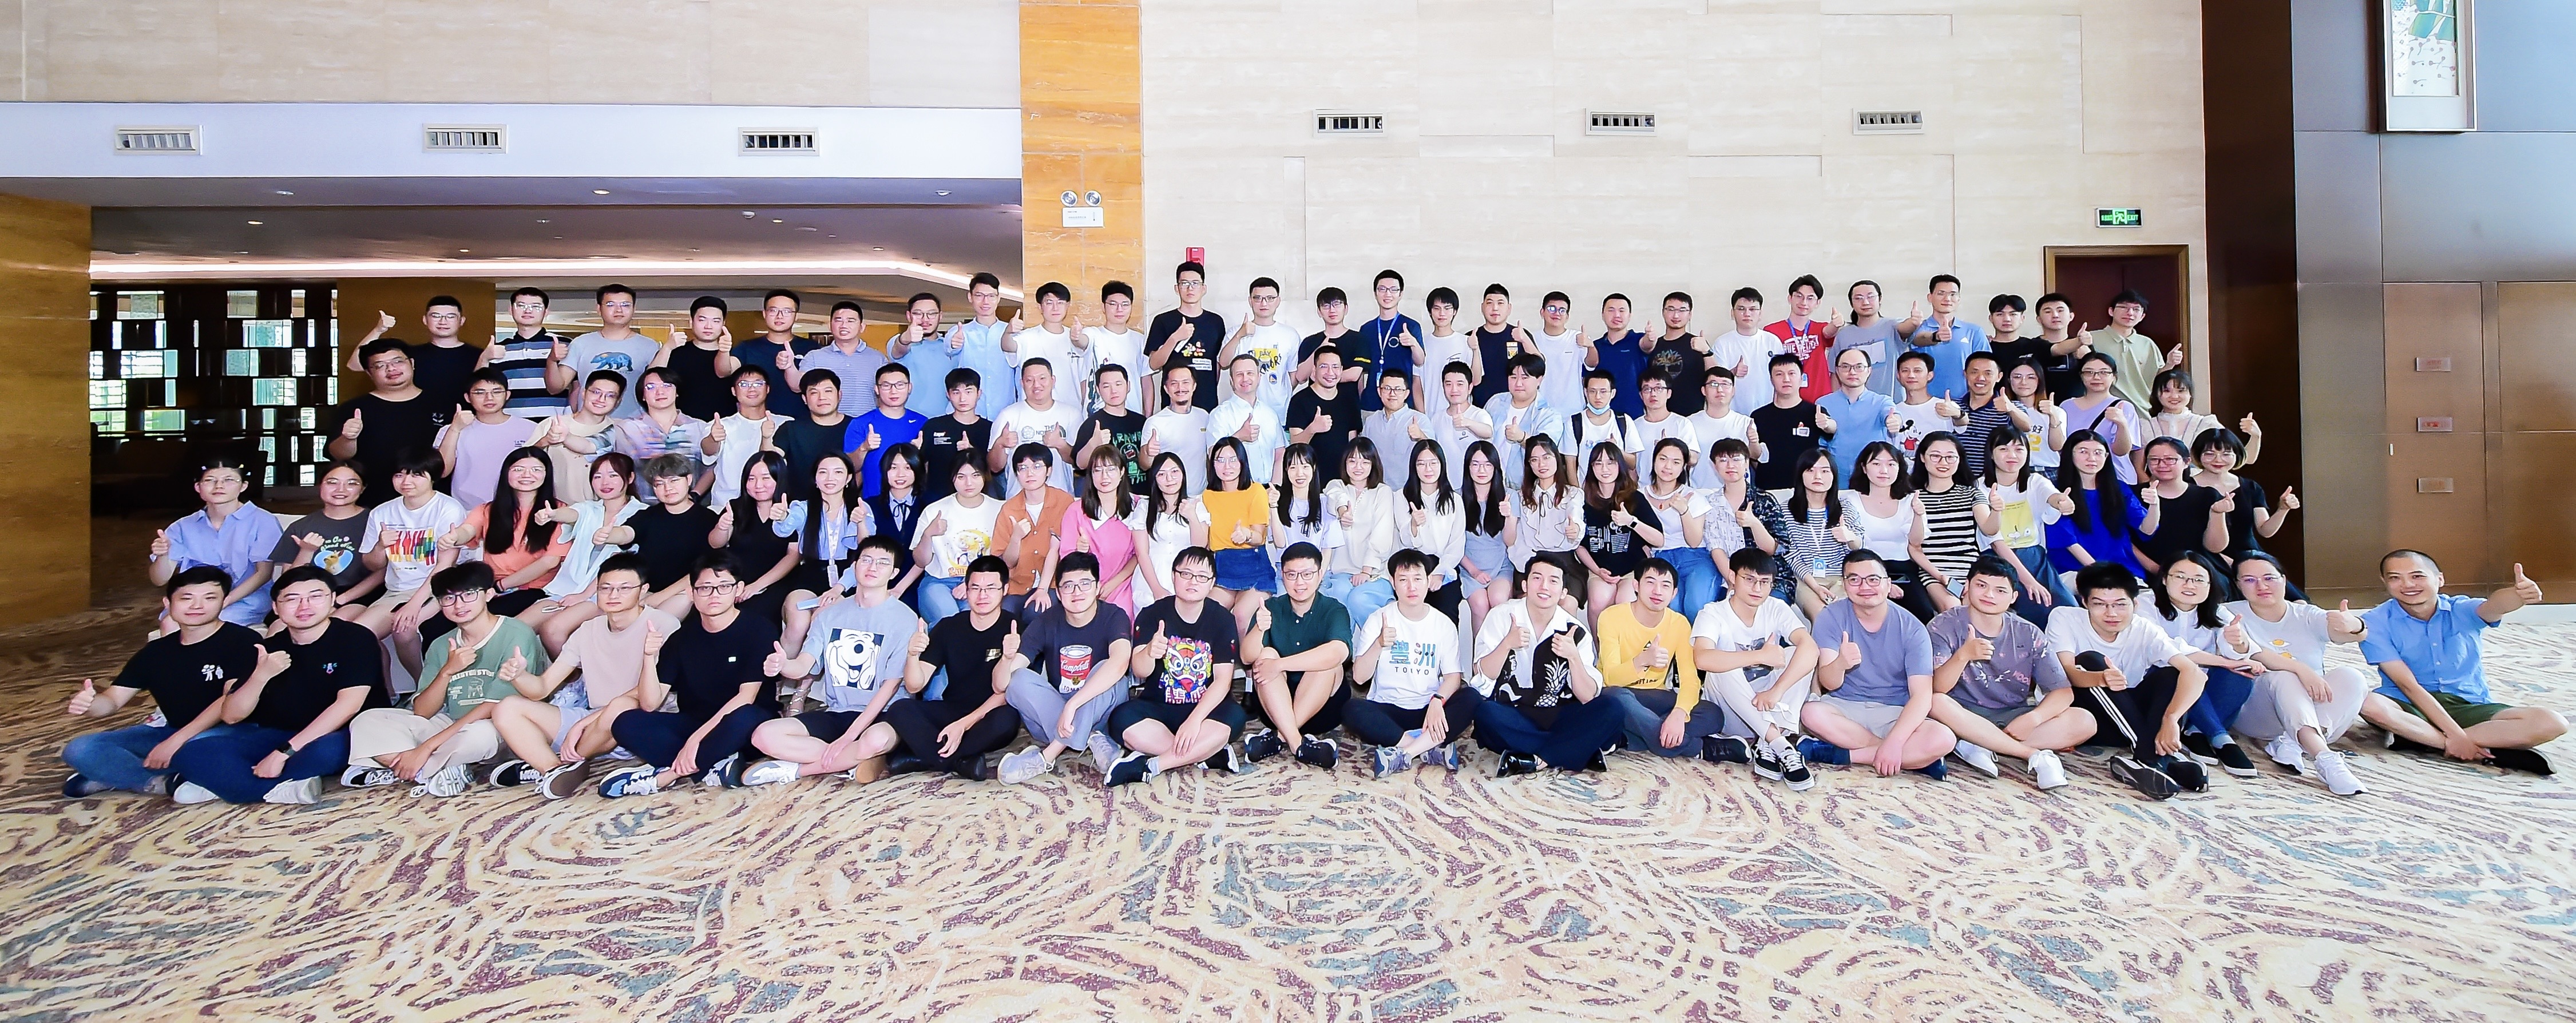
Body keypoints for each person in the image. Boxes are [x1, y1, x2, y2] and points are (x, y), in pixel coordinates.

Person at [169, 566, 383, 804]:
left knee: (329, 752)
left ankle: (233, 783)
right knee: (190, 752)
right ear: (276, 607)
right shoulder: (266, 649)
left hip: (335, 732)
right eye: (292, 599)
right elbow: (231, 715)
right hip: (278, 732)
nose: (304, 606)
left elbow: (349, 706)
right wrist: (261, 676)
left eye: (315, 597)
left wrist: (284, 753)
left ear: (332, 599)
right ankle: (281, 789)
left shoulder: (355, 638)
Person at [342, 562, 548, 797]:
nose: (459, 605)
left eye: (469, 595)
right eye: (449, 599)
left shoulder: (516, 633)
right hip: (450, 723)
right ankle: (436, 768)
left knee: (479, 735)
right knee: (367, 720)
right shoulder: (442, 644)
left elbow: (495, 706)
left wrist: (426, 747)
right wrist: (447, 672)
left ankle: (416, 765)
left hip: (501, 726)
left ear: (489, 594)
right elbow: (422, 711)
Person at [485, 553, 680, 798]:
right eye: (606, 588)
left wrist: (584, 724)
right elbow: (542, 688)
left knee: (620, 707)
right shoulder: (587, 630)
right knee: (507, 707)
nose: (613, 595)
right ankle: (553, 769)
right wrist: (518, 675)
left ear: (643, 590)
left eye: (624, 588)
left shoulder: (663, 625)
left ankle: (567, 761)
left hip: (638, 723)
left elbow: (650, 695)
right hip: (592, 725)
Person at [589, 554, 782, 796]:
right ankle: (715, 766)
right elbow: (650, 704)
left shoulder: (759, 629)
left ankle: (668, 775)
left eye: (724, 587)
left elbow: (746, 698)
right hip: (695, 722)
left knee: (746, 717)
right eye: (705, 588)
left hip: (742, 727)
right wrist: (648, 656)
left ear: (738, 589)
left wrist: (696, 740)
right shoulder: (682, 637)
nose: (714, 595)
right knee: (625, 722)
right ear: (692, 593)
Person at [2359, 551, 2566, 775]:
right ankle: (2471, 746)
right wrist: (2456, 737)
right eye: (2395, 578)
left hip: (2467, 703)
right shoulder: (2374, 622)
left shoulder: (2460, 609)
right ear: (2385, 582)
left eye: (2417, 576)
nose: (2408, 585)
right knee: (2367, 703)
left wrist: (2518, 595)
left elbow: (2494, 606)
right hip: (2407, 703)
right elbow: (2407, 685)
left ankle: (2420, 739)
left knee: (2551, 722)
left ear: (2439, 579)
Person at [60, 568, 261, 798]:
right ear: (168, 603)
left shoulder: (243, 640)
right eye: (187, 598)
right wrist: (91, 703)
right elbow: (113, 701)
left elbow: (228, 701)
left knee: (197, 750)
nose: (197, 606)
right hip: (173, 731)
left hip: (233, 732)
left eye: (210, 598)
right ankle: (157, 781)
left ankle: (118, 773)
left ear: (224, 602)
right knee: (80, 749)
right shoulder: (156, 652)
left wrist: (175, 742)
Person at [742, 537, 925, 787]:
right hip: (838, 712)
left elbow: (890, 688)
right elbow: (804, 665)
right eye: (866, 560)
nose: (873, 568)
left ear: (893, 573)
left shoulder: (905, 619)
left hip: (884, 714)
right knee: (763, 736)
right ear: (854, 566)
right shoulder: (830, 615)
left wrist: (849, 736)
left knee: (875, 740)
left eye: (882, 563)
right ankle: (855, 760)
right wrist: (784, 665)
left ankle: (799, 770)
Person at [2046, 561, 2213, 799]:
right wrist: (2101, 677)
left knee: (2172, 674)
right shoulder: (2065, 617)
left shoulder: (2144, 628)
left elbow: (2194, 672)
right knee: (2090, 660)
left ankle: (2147, 759)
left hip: (2129, 716)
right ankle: (2150, 757)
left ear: (2135, 604)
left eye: (2120, 604)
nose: (2111, 613)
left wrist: (2171, 719)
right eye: (2100, 604)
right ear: (2085, 603)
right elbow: (2069, 673)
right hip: (2085, 715)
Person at [1922, 556, 2087, 789]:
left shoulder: (2028, 632)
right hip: (1960, 713)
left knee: (2084, 721)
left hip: (2010, 715)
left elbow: (2063, 692)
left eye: (2000, 590)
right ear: (1967, 586)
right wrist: (1963, 656)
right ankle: (2030, 754)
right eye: (1981, 586)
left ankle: (1980, 743)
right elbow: (1936, 688)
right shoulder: (1943, 625)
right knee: (1935, 702)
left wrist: (2034, 718)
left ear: (2014, 597)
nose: (1989, 595)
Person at [1796, 552, 1956, 780]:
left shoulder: (1912, 628)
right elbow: (1830, 684)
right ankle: (1915, 760)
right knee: (1811, 714)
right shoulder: (1830, 617)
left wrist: (1895, 742)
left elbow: (1922, 696)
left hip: (1894, 711)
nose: (1865, 587)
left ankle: (1846, 755)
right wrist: (1841, 663)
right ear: (1845, 585)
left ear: (1888, 584)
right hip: (1846, 706)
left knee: (1944, 738)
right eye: (1854, 580)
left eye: (1873, 579)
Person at [2222, 553, 2370, 794]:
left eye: (2269, 578)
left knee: (2352, 676)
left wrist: (2356, 626)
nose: (2261, 586)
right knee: (2284, 675)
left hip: (2310, 709)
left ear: (2283, 580)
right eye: (2249, 580)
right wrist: (2302, 669)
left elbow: (2347, 634)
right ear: (2238, 585)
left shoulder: (2305, 614)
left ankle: (2293, 742)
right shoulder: (2229, 615)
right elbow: (2256, 654)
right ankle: (2325, 759)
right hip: (2258, 713)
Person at [1106, 546, 1253, 785]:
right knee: (1121, 720)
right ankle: (1207, 752)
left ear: (1212, 583)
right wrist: (1150, 652)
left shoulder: (1223, 620)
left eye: (1202, 577)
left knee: (1235, 717)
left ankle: (1153, 765)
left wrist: (1194, 721)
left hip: (1205, 709)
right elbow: (1140, 671)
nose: (1193, 581)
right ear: (1174, 576)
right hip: (1159, 706)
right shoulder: (1152, 614)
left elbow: (1223, 681)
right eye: (1186, 574)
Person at [1470, 553, 1624, 775]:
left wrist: (1573, 657)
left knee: (1612, 708)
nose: (1544, 586)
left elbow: (1587, 696)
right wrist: (1507, 644)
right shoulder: (1501, 616)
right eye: (1537, 578)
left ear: (1563, 593)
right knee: (1486, 714)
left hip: (1562, 712)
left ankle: (1537, 760)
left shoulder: (1574, 629)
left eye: (1553, 581)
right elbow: (1483, 674)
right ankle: (1577, 749)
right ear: (1525, 585)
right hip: (1514, 711)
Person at [881, 556, 1025, 782]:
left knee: (1007, 720)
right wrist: (912, 655)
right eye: (975, 588)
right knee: (900, 709)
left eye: (991, 588)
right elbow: (914, 685)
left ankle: (923, 758)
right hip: (952, 708)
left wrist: (964, 725)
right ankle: (959, 761)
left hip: (990, 712)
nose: (982, 595)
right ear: (966, 590)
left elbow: (1006, 693)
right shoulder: (949, 627)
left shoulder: (1016, 629)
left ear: (1005, 590)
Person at [1691, 549, 1820, 788]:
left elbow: (1810, 649)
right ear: (1733, 577)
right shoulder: (1713, 613)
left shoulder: (1776, 607)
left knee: (1797, 653)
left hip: (1769, 705)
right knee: (1723, 665)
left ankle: (1767, 742)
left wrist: (1776, 691)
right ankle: (1781, 746)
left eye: (1764, 582)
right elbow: (1702, 659)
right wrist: (1760, 656)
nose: (1757, 589)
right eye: (1749, 579)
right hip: (1731, 712)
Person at [1348, 549, 1480, 776]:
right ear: (1393, 583)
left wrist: (1437, 701)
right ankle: (1427, 747)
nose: (1412, 587)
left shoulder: (1443, 624)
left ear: (1428, 581)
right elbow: (1359, 678)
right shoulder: (1378, 619)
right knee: (1352, 710)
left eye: (1418, 579)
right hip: (1389, 709)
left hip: (1428, 709)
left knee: (1471, 698)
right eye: (1403, 580)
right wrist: (1379, 644)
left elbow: (1453, 677)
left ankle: (1405, 753)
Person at [425, 447, 569, 650]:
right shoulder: (488, 510)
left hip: (534, 591)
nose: (527, 475)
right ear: (506, 473)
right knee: (433, 629)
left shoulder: (560, 512)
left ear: (547, 475)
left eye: (536, 469)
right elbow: (467, 530)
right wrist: (454, 538)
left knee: (486, 633)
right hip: (491, 588)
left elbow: (549, 562)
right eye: (518, 469)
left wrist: (501, 586)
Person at [1594, 558, 1726, 760]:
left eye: (1665, 585)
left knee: (1713, 714)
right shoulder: (1611, 617)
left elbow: (1691, 680)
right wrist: (1642, 660)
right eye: (1650, 582)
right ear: (1636, 585)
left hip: (1655, 697)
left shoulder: (1679, 623)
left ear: (1674, 593)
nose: (1657, 591)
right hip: (1618, 695)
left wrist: (1679, 714)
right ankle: (1698, 748)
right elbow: (1611, 678)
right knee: (1614, 699)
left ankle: (1630, 738)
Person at [2144, 553, 2262, 780]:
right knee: (2180, 670)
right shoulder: (2146, 604)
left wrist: (2238, 643)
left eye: (2199, 580)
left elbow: (2241, 653)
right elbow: (2164, 648)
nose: (2190, 585)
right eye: (2181, 577)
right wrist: (2227, 662)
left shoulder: (2217, 611)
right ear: (2165, 579)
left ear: (2210, 585)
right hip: (2162, 689)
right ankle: (2221, 738)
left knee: (2241, 675)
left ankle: (2196, 731)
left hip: (2206, 694)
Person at [1241, 542, 1354, 768]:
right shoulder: (1270, 608)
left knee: (1327, 663)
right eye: (1292, 575)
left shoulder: (1335, 609)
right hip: (1275, 705)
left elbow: (1339, 652)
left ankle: (1278, 738)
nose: (1299, 582)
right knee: (1266, 654)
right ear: (1282, 576)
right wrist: (1259, 629)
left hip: (1322, 710)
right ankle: (1297, 743)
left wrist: (1281, 665)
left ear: (1320, 575)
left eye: (1307, 574)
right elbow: (1246, 658)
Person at [518, 454, 642, 654]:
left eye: (613, 475)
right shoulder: (588, 508)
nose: (605, 483)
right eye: (598, 477)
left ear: (630, 478)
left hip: (604, 594)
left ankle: (575, 674)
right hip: (567, 589)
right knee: (516, 628)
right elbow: (571, 514)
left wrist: (584, 595)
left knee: (552, 631)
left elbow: (620, 564)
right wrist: (552, 515)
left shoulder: (642, 514)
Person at [351, 449, 467, 648]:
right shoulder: (382, 512)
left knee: (404, 630)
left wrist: (414, 604)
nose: (406, 481)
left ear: (433, 477)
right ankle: (382, 671)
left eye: (417, 475)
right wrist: (380, 546)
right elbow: (372, 565)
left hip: (440, 588)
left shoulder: (448, 508)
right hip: (397, 591)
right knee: (357, 636)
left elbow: (446, 565)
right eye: (400, 475)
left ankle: (424, 672)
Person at [149, 457, 281, 629]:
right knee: (170, 624)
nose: (219, 486)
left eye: (229, 480)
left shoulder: (263, 521)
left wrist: (225, 601)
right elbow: (159, 580)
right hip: (196, 600)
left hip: (245, 599)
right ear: (198, 487)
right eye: (210, 480)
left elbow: (263, 574)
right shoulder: (182, 526)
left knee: (207, 624)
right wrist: (163, 556)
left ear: (243, 486)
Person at [327, 339, 442, 502]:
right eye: (380, 365)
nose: (391, 369)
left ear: (412, 363)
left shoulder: (443, 403)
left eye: (398, 361)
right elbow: (337, 454)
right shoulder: (353, 408)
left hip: (434, 500)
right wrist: (348, 438)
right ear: (369, 373)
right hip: (373, 499)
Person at [776, 454, 870, 648]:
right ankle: (784, 666)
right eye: (823, 472)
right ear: (815, 478)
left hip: (849, 578)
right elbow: (784, 528)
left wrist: (861, 523)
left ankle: (807, 668)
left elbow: (866, 551)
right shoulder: (803, 508)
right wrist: (782, 517)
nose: (830, 478)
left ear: (848, 478)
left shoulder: (860, 508)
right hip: (810, 575)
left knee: (822, 618)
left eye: (838, 472)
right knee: (798, 622)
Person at [1841, 441, 1939, 622]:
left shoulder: (1910, 500)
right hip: (1865, 569)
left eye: (1891, 464)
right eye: (1876, 464)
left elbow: (1916, 542)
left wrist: (1919, 515)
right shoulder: (1850, 500)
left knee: (1923, 613)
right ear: (1864, 468)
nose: (1884, 470)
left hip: (1904, 569)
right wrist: (1883, 582)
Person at [1983, 430, 2075, 619]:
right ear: (1991, 453)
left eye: (2019, 449)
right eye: (2004, 449)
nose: (2012, 455)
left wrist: (2062, 502)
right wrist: (2028, 581)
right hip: (1998, 561)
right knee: (2035, 610)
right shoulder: (1980, 488)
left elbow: (2052, 496)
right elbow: (1996, 543)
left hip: (2035, 559)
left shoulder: (2036, 481)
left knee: (2068, 608)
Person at [274, 460, 385, 616]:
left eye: (352, 484)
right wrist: (306, 551)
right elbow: (288, 580)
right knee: (279, 627)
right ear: (320, 485)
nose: (341, 489)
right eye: (332, 482)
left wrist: (340, 600)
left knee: (335, 624)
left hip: (357, 596)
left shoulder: (376, 521)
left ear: (362, 489)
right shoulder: (300, 527)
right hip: (308, 596)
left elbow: (384, 572)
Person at [617, 453, 718, 618]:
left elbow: (704, 569)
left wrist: (660, 597)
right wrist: (608, 535)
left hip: (683, 592)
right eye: (660, 484)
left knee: (681, 602)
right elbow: (627, 533)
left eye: (674, 481)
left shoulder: (708, 520)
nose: (668, 488)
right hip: (646, 590)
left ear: (689, 480)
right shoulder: (648, 515)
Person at [1574, 442, 1663, 626]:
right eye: (1598, 464)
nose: (1604, 469)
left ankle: (1626, 646)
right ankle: (1600, 645)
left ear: (1620, 466)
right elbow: (1579, 546)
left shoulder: (1634, 498)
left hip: (1632, 570)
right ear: (1591, 468)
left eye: (1611, 463)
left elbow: (1659, 540)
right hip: (1598, 570)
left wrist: (1631, 522)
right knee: (1598, 602)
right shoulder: (1582, 501)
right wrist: (1597, 571)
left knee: (1625, 603)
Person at [1701, 438, 1796, 605]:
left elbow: (1773, 549)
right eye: (1723, 460)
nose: (1730, 465)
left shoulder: (1765, 500)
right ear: (1715, 466)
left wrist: (1754, 524)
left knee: (1767, 610)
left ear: (1747, 463)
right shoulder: (1710, 504)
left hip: (1769, 578)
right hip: (1731, 578)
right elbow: (1717, 549)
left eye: (1736, 459)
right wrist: (1734, 583)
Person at [350, 296, 482, 413]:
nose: (443, 321)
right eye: (436, 316)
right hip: (417, 419)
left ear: (462, 321)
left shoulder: (479, 355)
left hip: (466, 422)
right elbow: (355, 365)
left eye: (451, 316)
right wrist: (379, 330)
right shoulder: (408, 354)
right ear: (425, 320)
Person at [2046, 430, 2148, 581]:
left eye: (2098, 453)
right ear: (2069, 454)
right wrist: (2103, 576)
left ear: (2106, 457)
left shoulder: (2119, 489)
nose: (2091, 458)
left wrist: (2155, 505)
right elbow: (2068, 542)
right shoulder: (2054, 492)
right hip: (2074, 572)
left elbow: (2147, 529)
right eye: (2083, 452)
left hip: (2121, 570)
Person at [712, 451, 800, 624]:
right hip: (737, 578)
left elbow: (794, 556)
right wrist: (722, 527)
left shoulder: (794, 509)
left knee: (752, 617)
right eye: (751, 479)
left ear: (779, 478)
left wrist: (757, 586)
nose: (758, 485)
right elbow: (715, 544)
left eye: (766, 478)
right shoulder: (736, 507)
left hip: (776, 580)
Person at [913, 459, 1003, 628]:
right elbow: (920, 561)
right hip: (938, 582)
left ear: (985, 476)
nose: (969, 483)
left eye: (975, 475)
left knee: (973, 621)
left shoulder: (1000, 509)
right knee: (948, 621)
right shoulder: (934, 510)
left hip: (982, 582)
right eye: (961, 477)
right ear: (953, 478)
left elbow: (1003, 558)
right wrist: (928, 535)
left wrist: (970, 583)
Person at [1319, 440, 1396, 636]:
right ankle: (1342, 650)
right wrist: (1343, 511)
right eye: (1352, 461)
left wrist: (1366, 571)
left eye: (1365, 462)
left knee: (1359, 599)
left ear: (1373, 464)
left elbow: (1382, 535)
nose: (1358, 467)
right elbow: (1334, 495)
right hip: (1341, 572)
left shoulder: (1383, 492)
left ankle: (1382, 645)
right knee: (1338, 596)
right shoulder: (1336, 485)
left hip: (1375, 572)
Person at [1908, 432, 1991, 614]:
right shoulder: (1912, 497)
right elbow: (1914, 547)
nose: (1943, 462)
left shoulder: (1972, 493)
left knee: (1979, 609)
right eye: (1935, 456)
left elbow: (1989, 529)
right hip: (1933, 571)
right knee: (1954, 609)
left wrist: (1997, 511)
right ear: (1922, 457)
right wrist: (1941, 577)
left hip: (1971, 569)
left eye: (1950, 457)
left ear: (1959, 459)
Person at [2190, 429, 2294, 568]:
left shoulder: (2251, 487)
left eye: (2226, 454)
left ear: (2237, 455)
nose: (2218, 460)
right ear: (2198, 455)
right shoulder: (2187, 486)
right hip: (2201, 561)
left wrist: (2283, 509)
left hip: (2248, 559)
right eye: (2210, 454)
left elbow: (2265, 531)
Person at [1202, 437, 1277, 630]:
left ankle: (1245, 652)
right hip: (1222, 567)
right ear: (1213, 464)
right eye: (1220, 460)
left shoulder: (1256, 491)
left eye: (1233, 459)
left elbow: (1259, 537)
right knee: (1207, 612)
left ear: (1243, 462)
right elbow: (1205, 542)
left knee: (1241, 615)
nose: (1227, 466)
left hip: (1255, 566)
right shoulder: (1207, 496)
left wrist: (1247, 535)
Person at [556, 285, 659, 418]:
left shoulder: (649, 346)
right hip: (591, 422)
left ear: (634, 309)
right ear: (599, 309)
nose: (619, 310)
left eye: (625, 305)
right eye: (611, 305)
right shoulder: (581, 343)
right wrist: (552, 361)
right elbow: (557, 386)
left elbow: (658, 384)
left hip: (636, 422)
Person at [996, 444, 1075, 617]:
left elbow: (1058, 550)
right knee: (1003, 615)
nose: (1030, 473)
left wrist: (1042, 589)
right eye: (1023, 468)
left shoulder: (1065, 502)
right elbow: (1007, 563)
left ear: (1049, 471)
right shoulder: (1009, 509)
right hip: (1018, 585)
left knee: (1036, 612)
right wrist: (1016, 538)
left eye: (1037, 466)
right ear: (1017, 474)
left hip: (1054, 583)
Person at [1639, 439, 1714, 621]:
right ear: (1654, 460)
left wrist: (1684, 511)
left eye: (1676, 462)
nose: (1668, 466)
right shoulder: (1639, 496)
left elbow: (1695, 542)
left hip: (1696, 557)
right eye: (1663, 459)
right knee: (1672, 610)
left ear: (1683, 467)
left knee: (1696, 607)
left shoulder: (1693, 497)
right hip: (1660, 560)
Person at [2133, 438, 2232, 576]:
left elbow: (2215, 548)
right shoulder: (2132, 495)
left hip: (2199, 572)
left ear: (2187, 462)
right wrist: (2157, 570)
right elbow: (2123, 540)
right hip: (2146, 572)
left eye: (2170, 459)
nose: (2162, 465)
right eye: (2154, 460)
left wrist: (2217, 513)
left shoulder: (2207, 496)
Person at [606, 367, 708, 495]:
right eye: (651, 387)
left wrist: (695, 495)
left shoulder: (699, 427)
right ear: (643, 395)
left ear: (677, 391)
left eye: (667, 385)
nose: (660, 392)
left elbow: (712, 468)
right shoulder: (627, 428)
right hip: (641, 505)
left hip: (690, 503)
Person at [1395, 440, 1467, 624]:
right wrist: (1413, 524)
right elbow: (1404, 542)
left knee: (1446, 611)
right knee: (1412, 614)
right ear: (1414, 467)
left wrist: (1440, 572)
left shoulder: (1454, 500)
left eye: (1433, 463)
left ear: (1442, 464)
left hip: (1444, 565)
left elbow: (1457, 545)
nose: (1428, 469)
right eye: (1421, 464)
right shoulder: (1402, 497)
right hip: (1413, 566)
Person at [1267, 445, 1345, 608]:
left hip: (1317, 573)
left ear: (1314, 468)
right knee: (1282, 606)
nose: (1299, 473)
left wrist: (1317, 577)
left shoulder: (1326, 503)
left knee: (1328, 607)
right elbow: (1280, 543)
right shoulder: (1278, 502)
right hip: (1287, 573)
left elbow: (1327, 549)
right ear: (1286, 470)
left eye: (1305, 466)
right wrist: (1273, 507)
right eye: (1293, 467)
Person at [1892, 276, 1991, 402]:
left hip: (1965, 404)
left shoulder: (1974, 332)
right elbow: (1918, 339)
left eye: (1953, 294)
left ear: (1959, 299)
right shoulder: (1917, 329)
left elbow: (1987, 368)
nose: (1947, 299)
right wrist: (1936, 336)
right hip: (1924, 404)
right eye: (1941, 293)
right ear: (1930, 297)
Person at [533, 370, 625, 503]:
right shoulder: (552, 423)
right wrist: (545, 441)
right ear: (583, 393)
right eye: (596, 392)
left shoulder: (621, 429)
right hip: (557, 509)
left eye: (610, 396)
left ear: (618, 402)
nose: (601, 399)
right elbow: (524, 459)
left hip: (606, 511)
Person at [1776, 449, 1848, 620]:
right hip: (1804, 578)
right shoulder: (1785, 510)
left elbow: (1857, 550)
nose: (1818, 476)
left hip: (1840, 578)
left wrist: (1850, 538)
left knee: (1845, 617)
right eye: (1810, 470)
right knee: (1823, 618)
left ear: (1834, 476)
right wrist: (1815, 587)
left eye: (1825, 471)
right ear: (1801, 474)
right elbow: (1790, 555)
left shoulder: (1845, 508)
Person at [732, 290, 826, 419]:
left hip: (802, 421)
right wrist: (723, 350)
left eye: (787, 311)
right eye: (773, 310)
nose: (780, 316)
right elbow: (724, 371)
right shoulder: (747, 348)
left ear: (796, 316)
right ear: (765, 314)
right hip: (758, 422)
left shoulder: (812, 349)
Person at [479, 286, 570, 418]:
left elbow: (577, 387)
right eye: (521, 306)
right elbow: (478, 386)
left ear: (546, 312)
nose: (528, 310)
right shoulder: (499, 348)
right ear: (511, 310)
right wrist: (484, 358)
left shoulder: (564, 344)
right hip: (511, 422)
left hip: (555, 422)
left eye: (536, 306)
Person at [699, 367, 784, 507]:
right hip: (726, 505)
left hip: (772, 506)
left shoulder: (785, 424)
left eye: (758, 383)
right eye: (744, 384)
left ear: (768, 389)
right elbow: (708, 451)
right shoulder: (721, 424)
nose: (752, 389)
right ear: (734, 391)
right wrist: (713, 438)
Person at [1147, 261, 1224, 413]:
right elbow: (1154, 364)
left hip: (1207, 404)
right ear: (1177, 289)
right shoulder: (1163, 321)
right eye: (1185, 283)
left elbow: (1218, 363)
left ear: (1204, 288)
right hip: (1174, 405)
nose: (1190, 288)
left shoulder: (1216, 322)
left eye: (1195, 283)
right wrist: (1175, 338)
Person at [1483, 354, 1568, 490]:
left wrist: (1522, 438)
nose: (1518, 383)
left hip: (1526, 489)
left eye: (1525, 378)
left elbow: (1546, 450)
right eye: (1513, 377)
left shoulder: (1549, 416)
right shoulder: (1495, 402)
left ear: (1539, 380)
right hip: (1490, 484)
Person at [1135, 453, 1208, 610]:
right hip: (1150, 580)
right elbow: (1142, 554)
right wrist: (1157, 589)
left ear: (1183, 474)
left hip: (1187, 577)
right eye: (1162, 474)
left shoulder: (1196, 505)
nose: (1169, 479)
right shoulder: (1144, 507)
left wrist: (1192, 517)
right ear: (1154, 479)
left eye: (1175, 472)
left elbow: (1200, 548)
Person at [1459, 441, 1517, 636]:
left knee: (1499, 600)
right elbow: (1453, 544)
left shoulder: (1509, 496)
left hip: (1501, 567)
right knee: (1480, 604)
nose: (1481, 470)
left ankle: (1503, 654)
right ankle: (1479, 654)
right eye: (1475, 464)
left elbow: (1510, 541)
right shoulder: (1457, 498)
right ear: (1468, 467)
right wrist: (1474, 572)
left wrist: (1509, 517)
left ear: (1495, 467)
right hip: (1469, 568)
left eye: (1487, 465)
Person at [845, 363, 928, 499]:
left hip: (915, 502)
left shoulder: (923, 423)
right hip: (873, 502)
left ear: (909, 388)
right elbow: (850, 468)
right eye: (886, 386)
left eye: (900, 385)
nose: (893, 391)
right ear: (877, 389)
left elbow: (929, 469)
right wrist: (864, 448)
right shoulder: (860, 424)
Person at [649, 296, 738, 422]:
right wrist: (667, 347)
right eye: (702, 320)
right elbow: (649, 380)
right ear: (691, 322)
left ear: (723, 324)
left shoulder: (734, 353)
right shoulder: (676, 352)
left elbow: (724, 372)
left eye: (716, 321)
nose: (709, 326)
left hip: (725, 425)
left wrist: (724, 350)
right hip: (682, 426)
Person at [795, 301, 890, 418]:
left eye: (851, 321)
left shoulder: (879, 359)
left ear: (862, 327)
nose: (844, 325)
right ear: (830, 325)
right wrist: (789, 367)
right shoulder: (814, 357)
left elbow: (885, 396)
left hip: (867, 424)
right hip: (827, 424)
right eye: (838, 320)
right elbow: (799, 387)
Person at [2060, 352, 2142, 485]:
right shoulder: (2066, 406)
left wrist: (2122, 424)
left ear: (2114, 377)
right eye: (2089, 372)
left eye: (2104, 372)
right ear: (2081, 376)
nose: (2096, 377)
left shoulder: (2124, 407)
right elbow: (2060, 447)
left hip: (2116, 480)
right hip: (2076, 480)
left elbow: (2122, 451)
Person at [1220, 277, 1298, 415]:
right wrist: (1240, 335)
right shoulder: (1236, 331)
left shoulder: (1290, 335)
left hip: (1279, 412)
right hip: (1242, 412)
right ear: (1250, 301)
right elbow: (1224, 363)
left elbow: (1293, 376)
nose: (1264, 303)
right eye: (1258, 298)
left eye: (1270, 298)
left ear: (1278, 301)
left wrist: (1279, 394)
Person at [1750, 355, 1829, 492]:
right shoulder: (1758, 416)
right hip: (1769, 490)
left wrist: (1829, 424)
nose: (1786, 379)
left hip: (1806, 490)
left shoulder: (1816, 413)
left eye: (1792, 374)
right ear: (1771, 380)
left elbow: (1832, 435)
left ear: (1801, 378)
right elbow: (1754, 458)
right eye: (1779, 374)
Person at [1285, 346, 1362, 483]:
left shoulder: (1349, 401)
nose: (1330, 372)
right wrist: (1312, 429)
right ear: (1314, 371)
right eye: (1324, 367)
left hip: (1341, 482)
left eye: (1335, 367)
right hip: (1310, 481)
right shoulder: (1300, 401)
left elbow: (1352, 444)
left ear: (1341, 370)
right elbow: (1295, 446)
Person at [1006, 281, 1087, 411]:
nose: (1055, 308)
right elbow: (1007, 346)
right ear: (1040, 307)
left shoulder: (1076, 339)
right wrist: (1008, 332)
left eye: (1060, 303)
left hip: (1071, 410)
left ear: (1068, 305)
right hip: (1033, 411)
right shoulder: (1027, 337)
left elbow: (1084, 380)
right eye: (1049, 303)